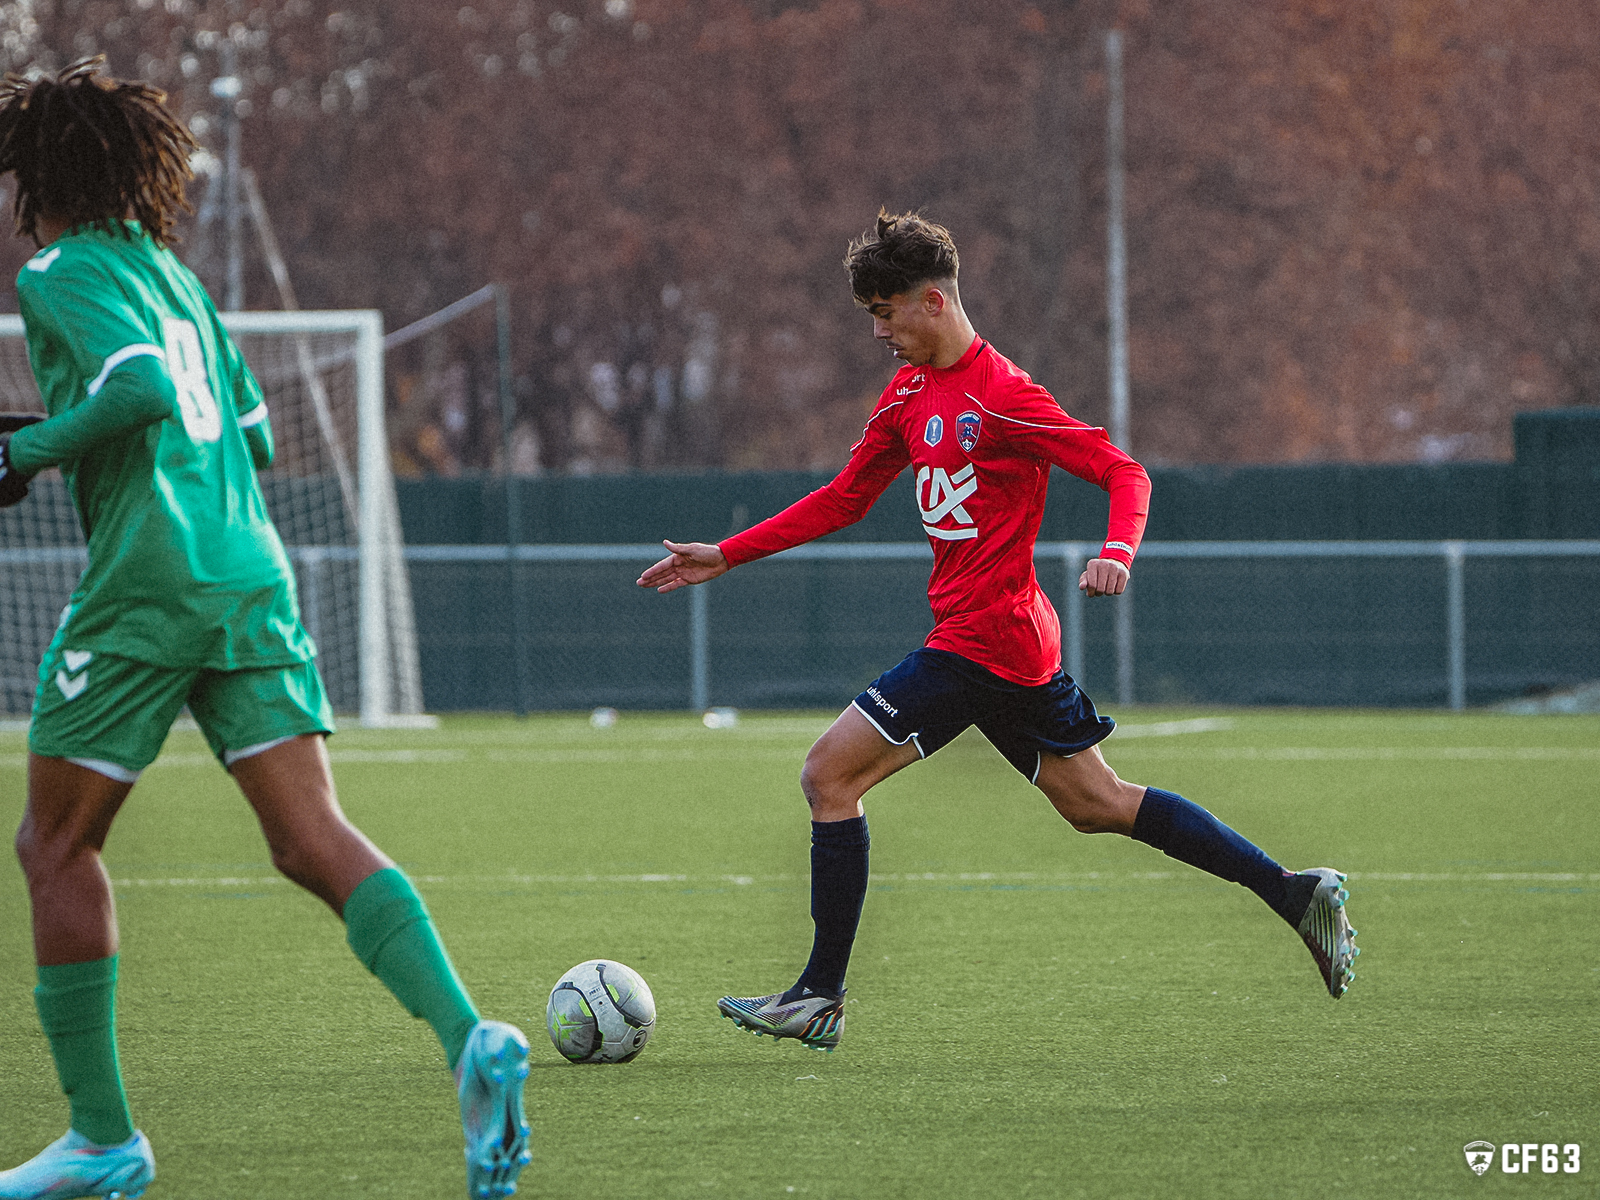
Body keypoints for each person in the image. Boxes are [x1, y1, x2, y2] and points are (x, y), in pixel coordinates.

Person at [638, 210, 1358, 1051]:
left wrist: (1117, 551)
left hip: (983, 643)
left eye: (886, 311)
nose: (878, 331)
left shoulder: (1005, 398)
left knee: (828, 777)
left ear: (934, 302)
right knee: (1098, 804)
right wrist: (726, 554)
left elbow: (1124, 471)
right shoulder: (907, 394)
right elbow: (843, 498)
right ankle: (1291, 891)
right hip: (1010, 645)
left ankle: (818, 994)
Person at [0, 60, 529, 1200]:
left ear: (38, 181)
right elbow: (256, 432)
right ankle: (466, 1039)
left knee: (53, 846)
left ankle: (103, 1140)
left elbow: (138, 390)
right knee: (310, 838)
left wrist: (24, 451)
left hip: (152, 580)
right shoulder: (177, 278)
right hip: (250, 569)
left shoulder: (58, 271)